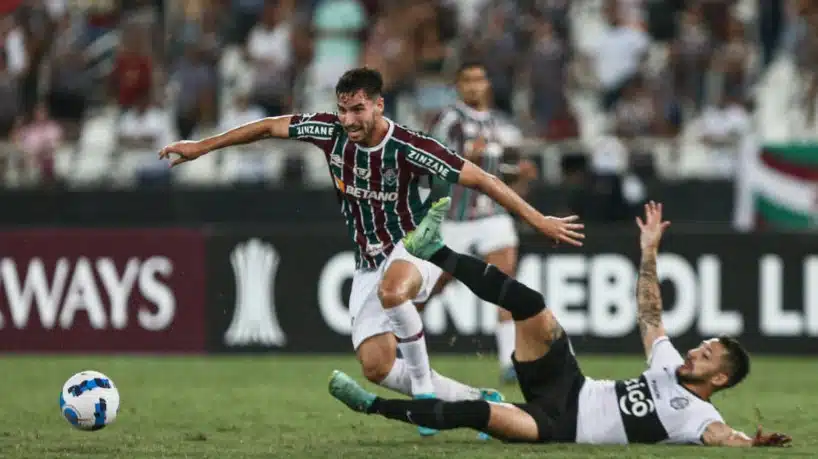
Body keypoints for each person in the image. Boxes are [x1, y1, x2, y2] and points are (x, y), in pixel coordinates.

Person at [158, 67, 585, 437]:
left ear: (379, 105)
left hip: (418, 245)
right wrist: (201, 147)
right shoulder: (329, 131)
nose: (348, 119)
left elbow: (481, 179)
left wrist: (537, 219)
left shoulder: (410, 145)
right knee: (376, 367)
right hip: (368, 261)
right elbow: (270, 125)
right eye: (343, 110)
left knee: (395, 291)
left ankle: (425, 396)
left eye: (358, 109)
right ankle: (479, 401)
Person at [328, 198, 792, 448]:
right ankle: (436, 250)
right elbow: (650, 314)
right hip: (570, 384)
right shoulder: (671, 364)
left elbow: (721, 437)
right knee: (532, 306)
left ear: (721, 377)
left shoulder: (698, 416)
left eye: (706, 354)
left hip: (557, 425)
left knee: (479, 417)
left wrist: (751, 443)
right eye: (701, 347)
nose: (695, 351)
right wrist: (649, 252)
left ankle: (372, 407)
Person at [427, 61, 537, 384]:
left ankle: (509, 362)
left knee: (505, 284)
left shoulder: (496, 124)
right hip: (455, 220)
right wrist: (461, 160)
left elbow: (496, 174)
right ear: (458, 86)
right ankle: (400, 341)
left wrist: (520, 175)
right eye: (468, 80)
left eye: (480, 79)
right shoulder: (449, 120)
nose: (475, 85)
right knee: (430, 287)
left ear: (487, 83)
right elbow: (431, 161)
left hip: (492, 216)